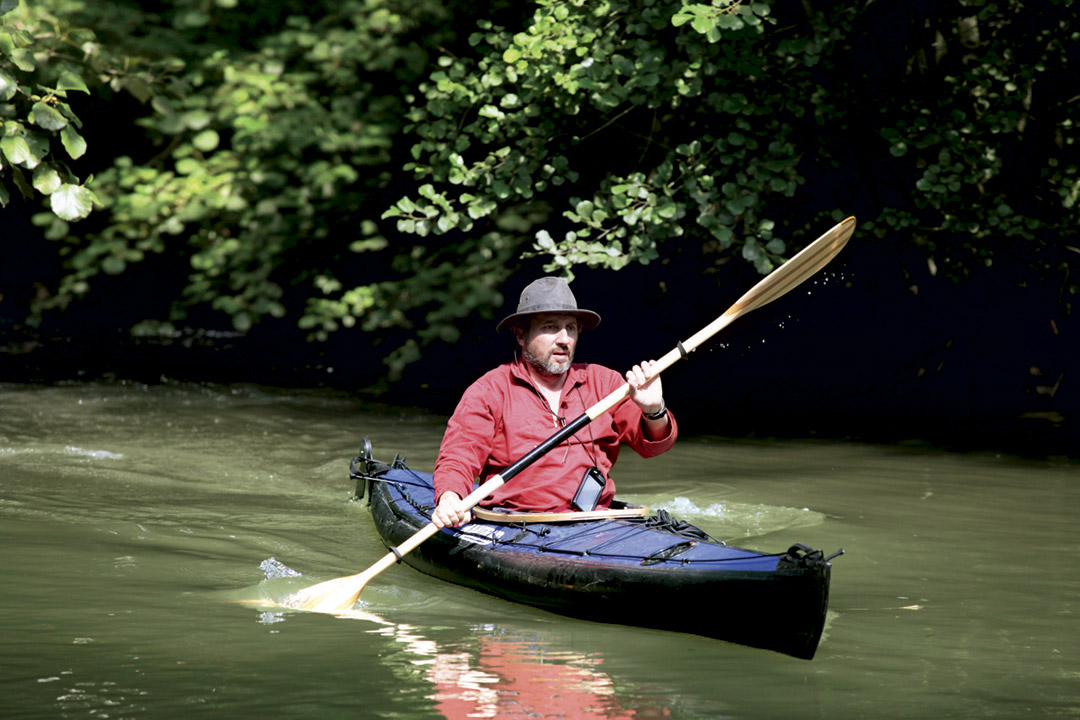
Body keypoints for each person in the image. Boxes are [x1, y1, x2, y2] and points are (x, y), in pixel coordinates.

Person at [431, 276, 678, 528]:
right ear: (520, 334)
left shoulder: (606, 383)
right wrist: (450, 498)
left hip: (594, 522)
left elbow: (653, 447)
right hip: (514, 524)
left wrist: (654, 411)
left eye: (570, 328)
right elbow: (459, 456)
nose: (564, 339)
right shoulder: (489, 390)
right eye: (550, 327)